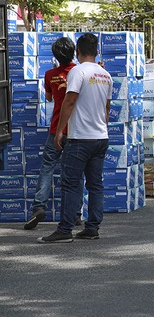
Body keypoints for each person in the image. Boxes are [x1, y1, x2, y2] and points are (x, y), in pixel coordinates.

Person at [38, 33, 113, 243]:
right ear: (96, 51)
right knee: (95, 184)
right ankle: (92, 227)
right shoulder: (105, 75)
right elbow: (107, 109)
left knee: (71, 184)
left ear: (77, 52)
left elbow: (69, 102)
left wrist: (60, 130)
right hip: (100, 137)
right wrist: (100, 128)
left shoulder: (78, 72)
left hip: (80, 137)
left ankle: (65, 230)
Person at [24, 37, 84, 230]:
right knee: (75, 172)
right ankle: (75, 214)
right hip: (76, 130)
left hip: (56, 129)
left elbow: (49, 99)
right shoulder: (80, 72)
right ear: (74, 51)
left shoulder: (50, 74)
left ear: (55, 56)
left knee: (47, 168)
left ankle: (38, 207)